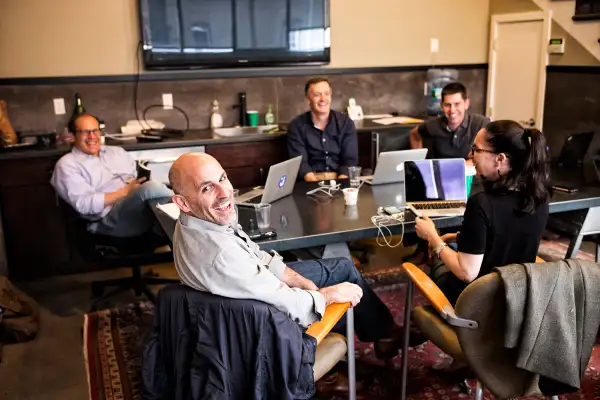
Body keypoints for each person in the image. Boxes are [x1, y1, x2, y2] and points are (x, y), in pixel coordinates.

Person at [168, 153, 410, 364]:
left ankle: (380, 335)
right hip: (263, 327)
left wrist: (295, 278)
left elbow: (252, 252)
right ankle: (370, 341)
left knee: (342, 266)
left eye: (222, 178)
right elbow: (291, 304)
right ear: (182, 202)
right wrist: (328, 295)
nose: (224, 193)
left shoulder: (197, 221)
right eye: (206, 188)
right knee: (343, 279)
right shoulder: (221, 256)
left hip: (244, 300)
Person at [414, 120, 552, 306]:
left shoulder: (482, 204)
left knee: (438, 263)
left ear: (500, 159)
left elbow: (467, 273)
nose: (470, 155)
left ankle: (438, 316)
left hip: (476, 305)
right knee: (454, 246)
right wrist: (457, 236)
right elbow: (507, 234)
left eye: (476, 150)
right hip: (517, 303)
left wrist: (433, 237)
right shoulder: (539, 198)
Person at [51, 113, 173, 237]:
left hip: (135, 208)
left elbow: (136, 179)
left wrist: (139, 185)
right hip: (108, 221)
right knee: (151, 189)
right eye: (85, 132)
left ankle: (183, 234)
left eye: (95, 131)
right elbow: (84, 205)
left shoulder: (117, 152)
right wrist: (126, 191)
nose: (92, 136)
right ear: (72, 136)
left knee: (157, 199)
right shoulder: (67, 165)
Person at [287, 77, 359, 182]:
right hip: (310, 182)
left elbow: (350, 160)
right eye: (317, 95)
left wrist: (340, 187)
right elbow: (301, 164)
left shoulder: (346, 123)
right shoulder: (296, 126)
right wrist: (317, 188)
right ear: (308, 99)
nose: (322, 98)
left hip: (340, 180)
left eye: (326, 93)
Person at [409, 82, 490, 160]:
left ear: (466, 104)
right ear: (441, 105)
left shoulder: (481, 124)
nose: (452, 110)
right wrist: (417, 162)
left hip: (470, 172)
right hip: (441, 172)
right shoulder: (433, 125)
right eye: (447, 105)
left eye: (457, 104)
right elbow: (414, 135)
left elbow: (487, 157)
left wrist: (459, 166)